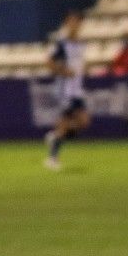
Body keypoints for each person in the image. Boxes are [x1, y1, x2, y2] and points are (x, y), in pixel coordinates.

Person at [42, 10, 90, 172]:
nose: (74, 25)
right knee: (63, 124)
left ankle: (54, 137)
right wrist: (64, 72)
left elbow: (79, 64)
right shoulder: (62, 44)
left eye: (77, 21)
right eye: (71, 21)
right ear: (66, 24)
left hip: (77, 90)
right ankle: (52, 159)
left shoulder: (81, 44)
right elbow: (48, 63)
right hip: (65, 90)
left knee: (84, 122)